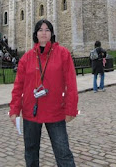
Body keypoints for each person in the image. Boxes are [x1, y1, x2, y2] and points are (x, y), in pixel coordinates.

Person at [9, 19, 78, 167]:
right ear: (36, 34)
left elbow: (71, 84)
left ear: (51, 33)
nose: (44, 33)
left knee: (63, 152)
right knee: (31, 152)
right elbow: (18, 86)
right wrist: (14, 110)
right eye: (40, 30)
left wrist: (71, 109)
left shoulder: (62, 54)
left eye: (47, 30)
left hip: (55, 111)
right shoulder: (26, 58)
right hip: (31, 112)